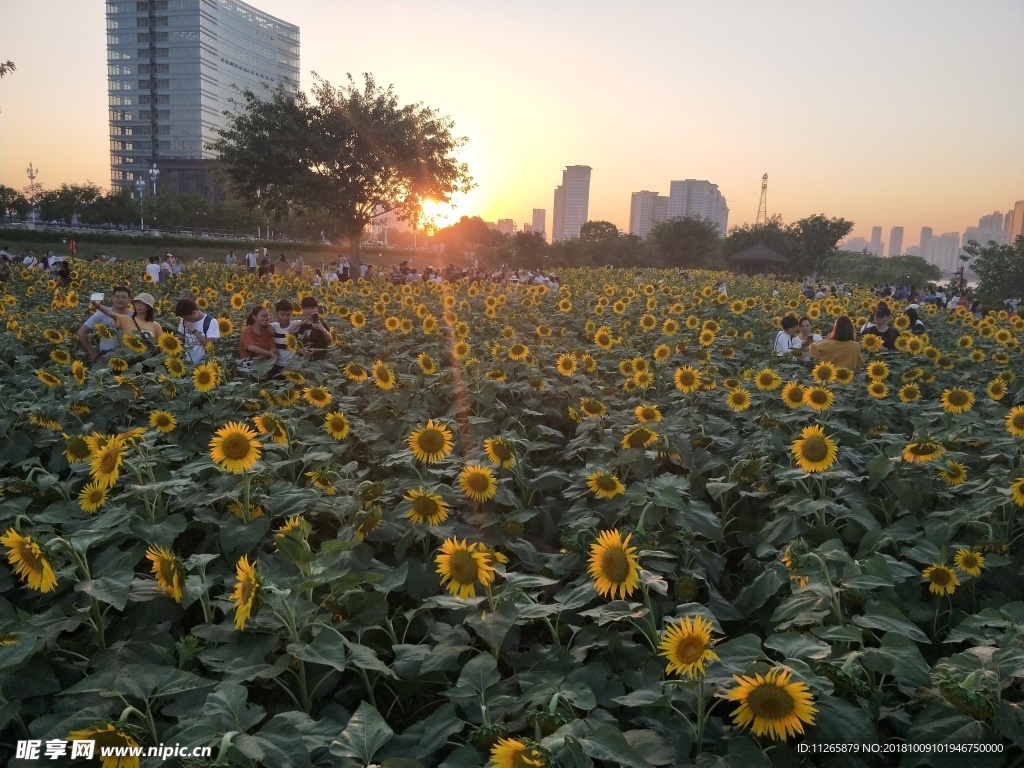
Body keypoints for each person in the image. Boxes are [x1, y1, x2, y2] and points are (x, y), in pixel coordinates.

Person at [78, 285, 131, 361]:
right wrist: (92, 352)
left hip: (130, 358)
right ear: (112, 298)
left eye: (124, 297)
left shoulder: (134, 316)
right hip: (106, 360)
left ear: (129, 300)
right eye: (117, 297)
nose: (120, 299)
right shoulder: (102, 313)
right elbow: (81, 332)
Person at [93, 291, 163, 344]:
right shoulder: (126, 319)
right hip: (129, 359)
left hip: (148, 360)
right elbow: (110, 313)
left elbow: (161, 345)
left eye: (142, 303)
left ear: (148, 307)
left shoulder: (155, 325)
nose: (139, 305)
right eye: (137, 302)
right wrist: (98, 305)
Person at [174, 298, 220, 364]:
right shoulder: (184, 320)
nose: (185, 320)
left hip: (203, 364)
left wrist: (193, 330)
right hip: (186, 363)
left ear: (194, 313)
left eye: (187, 318)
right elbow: (182, 338)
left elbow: (209, 346)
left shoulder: (211, 322)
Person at [238, 305, 278, 371]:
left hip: (264, 365)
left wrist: (260, 357)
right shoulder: (247, 331)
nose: (266, 318)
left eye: (267, 316)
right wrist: (269, 353)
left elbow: (274, 349)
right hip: (247, 367)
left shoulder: (266, 331)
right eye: (262, 316)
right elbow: (251, 347)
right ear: (254, 317)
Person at [296, 296, 331, 361]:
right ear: (302, 310)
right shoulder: (301, 327)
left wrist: (323, 330)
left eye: (312, 308)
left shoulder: (322, 325)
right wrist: (299, 351)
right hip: (302, 362)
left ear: (317, 309)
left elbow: (329, 342)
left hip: (319, 362)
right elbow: (295, 346)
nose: (309, 311)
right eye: (306, 308)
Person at [271, 299, 301, 367]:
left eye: (288, 315)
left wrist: (296, 325)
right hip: (278, 365)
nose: (285, 317)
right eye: (282, 314)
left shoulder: (295, 324)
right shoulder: (274, 326)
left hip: (294, 365)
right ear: (276, 313)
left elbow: (308, 319)